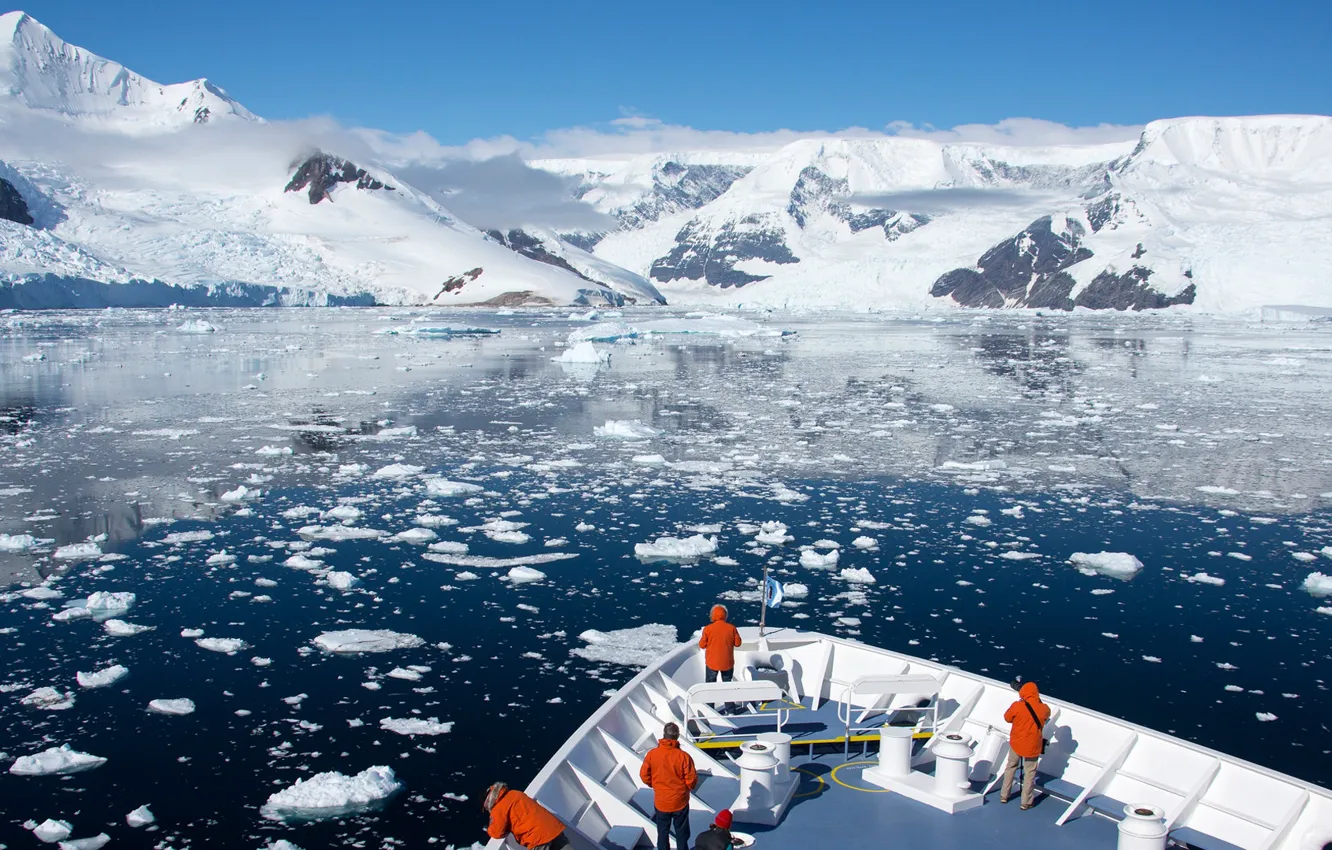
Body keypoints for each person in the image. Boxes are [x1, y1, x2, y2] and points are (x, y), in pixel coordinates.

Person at [640, 722, 698, 850]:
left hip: (661, 802)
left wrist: (654, 784)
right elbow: (691, 779)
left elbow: (644, 775)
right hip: (680, 802)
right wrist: (685, 789)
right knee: (682, 833)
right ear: (677, 737)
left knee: (662, 833)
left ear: (664, 735)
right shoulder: (684, 757)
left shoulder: (652, 754)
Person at [1000, 680, 1051, 810]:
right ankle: (1026, 802)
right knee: (1030, 773)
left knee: (1011, 767)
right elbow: (1046, 715)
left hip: (1017, 743)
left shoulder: (1017, 706)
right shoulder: (1043, 708)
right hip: (1033, 746)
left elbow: (1007, 718)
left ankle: (1004, 795)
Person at [484, 781, 570, 850]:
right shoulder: (514, 793)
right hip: (553, 828)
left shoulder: (498, 808)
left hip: (538, 838)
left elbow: (496, 833)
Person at [699, 604, 742, 713]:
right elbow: (738, 643)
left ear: (713, 615)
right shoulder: (731, 628)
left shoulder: (708, 629)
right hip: (727, 663)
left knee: (710, 686)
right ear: (725, 615)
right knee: (727, 685)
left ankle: (709, 709)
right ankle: (730, 710)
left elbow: (702, 645)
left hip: (712, 663)